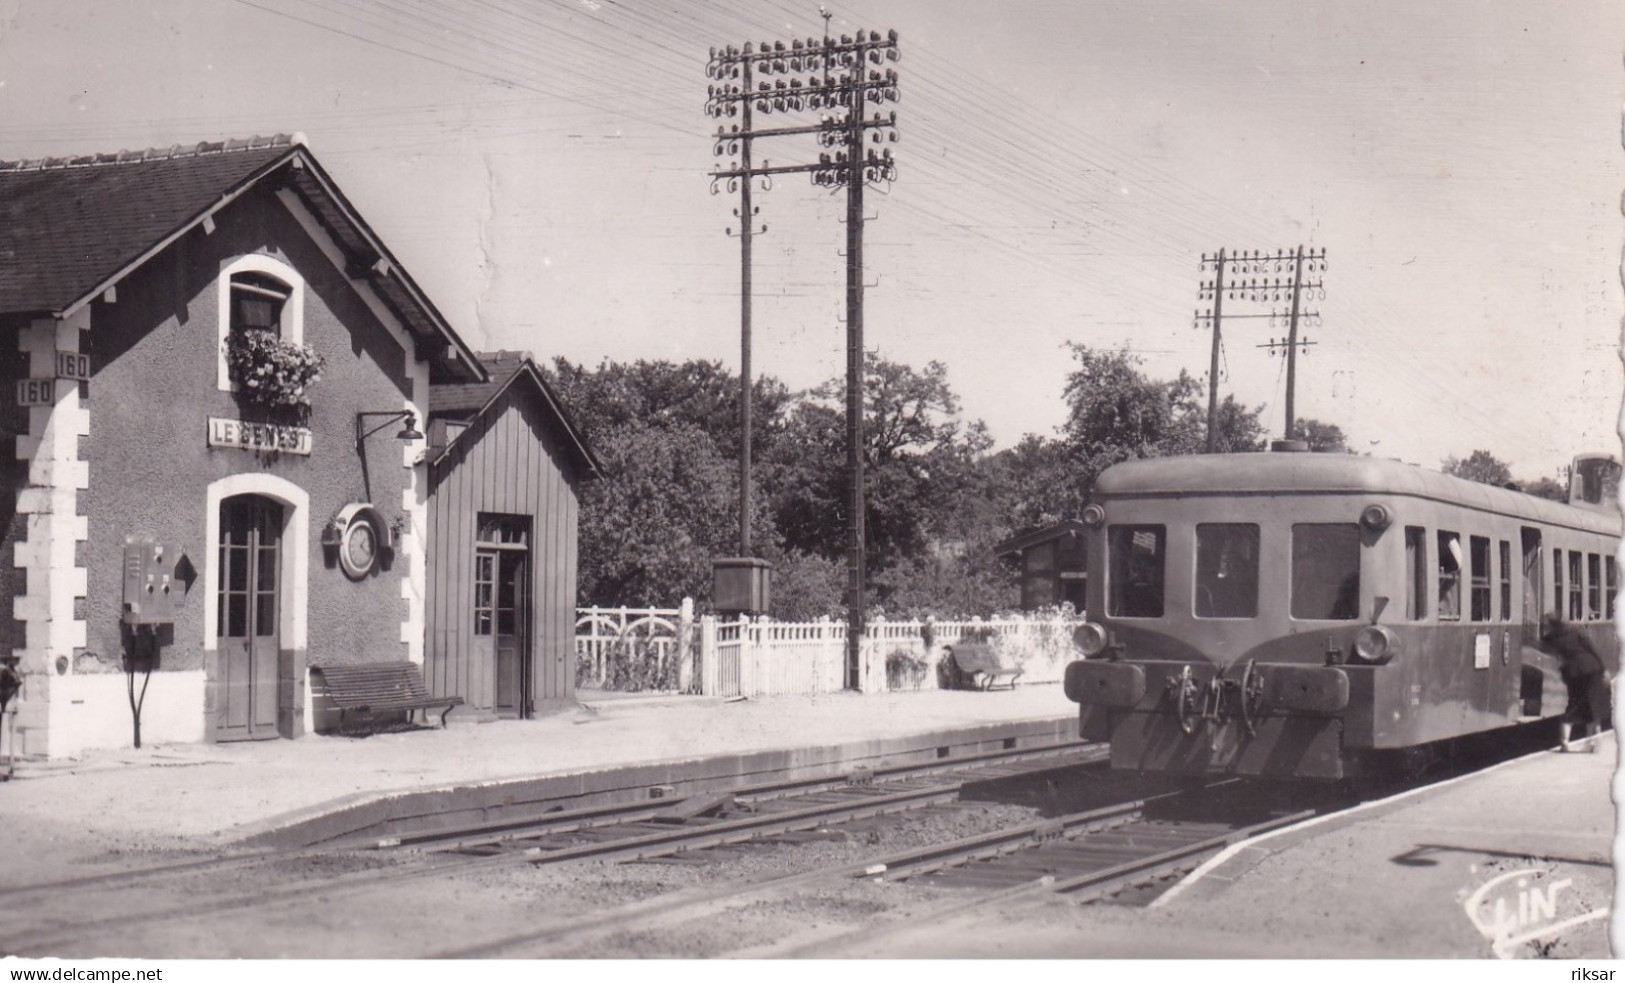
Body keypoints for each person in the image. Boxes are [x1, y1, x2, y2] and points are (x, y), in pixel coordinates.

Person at [1540, 613, 1613, 752]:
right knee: (1593, 705)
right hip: (1592, 670)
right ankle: (1594, 740)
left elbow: (1544, 647)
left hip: (1573, 673)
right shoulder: (1577, 631)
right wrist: (1603, 668)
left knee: (1573, 705)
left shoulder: (1551, 638)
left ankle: (1565, 742)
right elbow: (1592, 649)